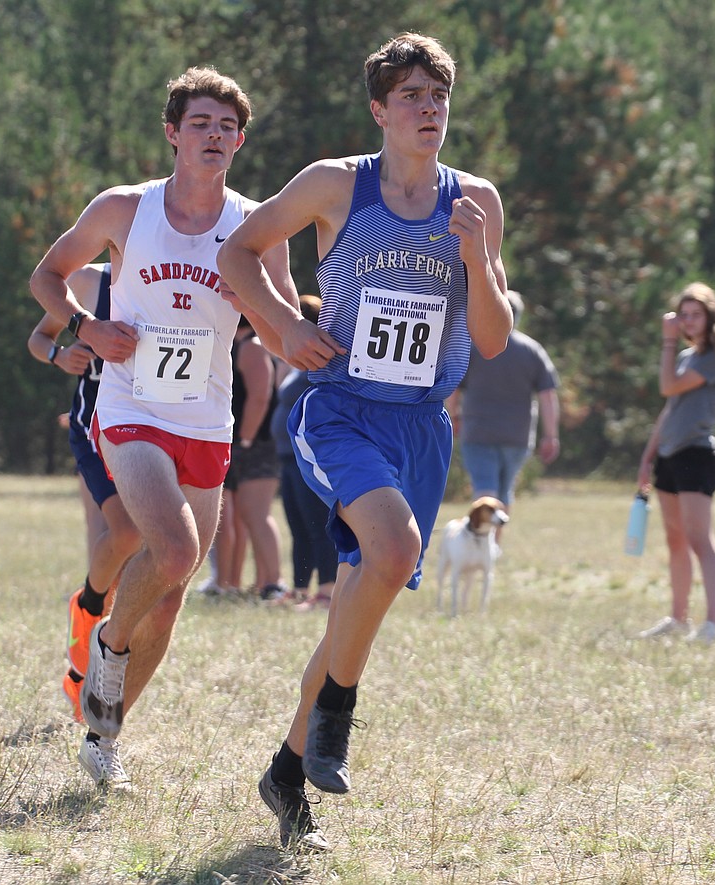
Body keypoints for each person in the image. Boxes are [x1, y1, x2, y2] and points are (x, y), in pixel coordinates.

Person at [217, 32, 512, 851]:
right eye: (412, 95)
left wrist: (477, 257)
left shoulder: (476, 200)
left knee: (353, 609)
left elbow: (490, 339)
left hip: (420, 427)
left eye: (439, 96)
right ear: (380, 109)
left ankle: (285, 768)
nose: (429, 109)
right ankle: (338, 714)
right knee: (392, 548)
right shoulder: (336, 184)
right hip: (340, 408)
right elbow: (239, 250)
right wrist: (280, 328)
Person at [30, 67, 297, 788]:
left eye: (228, 127)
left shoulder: (256, 223)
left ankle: (103, 732)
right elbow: (46, 277)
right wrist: (87, 325)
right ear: (173, 132)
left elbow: (280, 325)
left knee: (173, 593)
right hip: (132, 408)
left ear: (240, 140)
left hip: (207, 419)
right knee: (175, 549)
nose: (216, 136)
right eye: (202, 124)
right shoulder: (125, 208)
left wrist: (294, 332)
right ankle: (108, 648)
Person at [27, 261, 142, 782]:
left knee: (132, 557)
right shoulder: (86, 281)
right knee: (123, 534)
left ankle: (91, 635)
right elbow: (39, 336)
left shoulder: (168, 275)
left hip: (149, 427)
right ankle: (88, 609)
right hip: (93, 428)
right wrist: (60, 354)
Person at [636, 282, 715, 643]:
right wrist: (648, 456)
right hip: (669, 455)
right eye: (684, 315)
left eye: (696, 315)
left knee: (699, 539)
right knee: (675, 539)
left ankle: (713, 624)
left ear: (711, 317)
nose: (689, 321)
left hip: (696, 454)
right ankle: (679, 619)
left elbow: (667, 387)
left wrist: (666, 341)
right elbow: (670, 409)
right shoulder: (685, 357)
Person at [447, 288, 560, 531]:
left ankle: (481, 542)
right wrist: (551, 435)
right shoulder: (532, 350)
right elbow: (548, 396)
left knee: (484, 486)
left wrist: (453, 416)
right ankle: (493, 548)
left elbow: (453, 386)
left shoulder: (474, 347)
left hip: (477, 431)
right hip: (517, 435)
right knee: (505, 490)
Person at [270, 294, 338, 610]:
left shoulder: (320, 357)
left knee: (317, 523)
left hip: (310, 453)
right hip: (288, 455)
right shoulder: (296, 361)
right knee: (298, 525)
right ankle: (299, 589)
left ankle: (327, 591)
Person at [216, 313, 287, 601]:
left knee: (257, 514)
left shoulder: (252, 347)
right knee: (249, 513)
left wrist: (244, 439)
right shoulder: (242, 345)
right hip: (248, 443)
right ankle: (262, 583)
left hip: (256, 444)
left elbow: (260, 396)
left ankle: (274, 583)